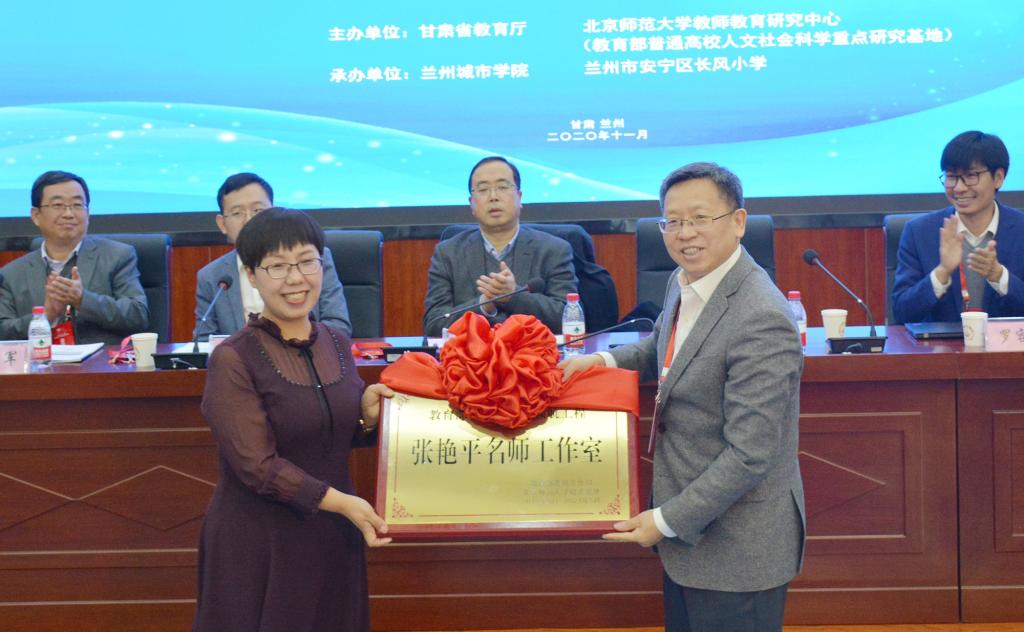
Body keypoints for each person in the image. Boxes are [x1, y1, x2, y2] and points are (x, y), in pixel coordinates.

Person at [561, 162, 805, 632]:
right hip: (689, 537)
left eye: (700, 218)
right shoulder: (685, 279)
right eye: (672, 221)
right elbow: (665, 346)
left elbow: (750, 454)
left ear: (738, 222)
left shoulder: (761, 316)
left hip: (738, 547)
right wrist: (604, 361)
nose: (684, 234)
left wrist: (666, 520)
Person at [193, 207, 392, 632]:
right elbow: (257, 467)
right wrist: (342, 503)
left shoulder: (336, 342)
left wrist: (367, 418)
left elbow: (328, 431)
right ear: (251, 275)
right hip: (260, 542)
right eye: (278, 266)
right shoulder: (233, 358)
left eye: (306, 262)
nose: (296, 278)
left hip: (331, 534)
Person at [422, 156, 578, 337]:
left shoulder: (554, 250)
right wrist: (484, 304)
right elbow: (433, 323)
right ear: (471, 203)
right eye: (483, 189)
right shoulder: (448, 253)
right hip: (472, 353)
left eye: (503, 187)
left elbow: (569, 319)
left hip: (533, 352)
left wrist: (514, 296)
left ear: (519, 197)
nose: (493, 197)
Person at [194, 173, 351, 339]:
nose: (249, 220)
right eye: (237, 213)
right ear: (222, 224)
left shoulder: (314, 259)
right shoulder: (211, 277)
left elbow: (338, 327)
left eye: (257, 210)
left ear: (274, 213)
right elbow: (204, 340)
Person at [0, 170, 148, 344]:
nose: (68, 214)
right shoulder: (12, 274)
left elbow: (138, 315)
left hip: (102, 360)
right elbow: (3, 331)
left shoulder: (117, 256)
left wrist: (83, 299)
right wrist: (45, 316)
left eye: (77, 205)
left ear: (88, 213)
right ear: (36, 215)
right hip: (42, 360)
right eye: (57, 205)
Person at [892, 131, 1024, 323]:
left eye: (971, 176)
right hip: (942, 343)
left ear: (998, 177)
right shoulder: (919, 232)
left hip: (1007, 343)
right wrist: (942, 272)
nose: (959, 188)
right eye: (952, 176)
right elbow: (901, 313)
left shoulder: (1020, 229)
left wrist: (999, 276)